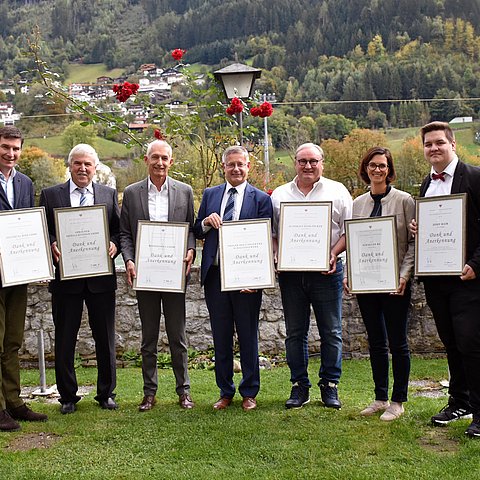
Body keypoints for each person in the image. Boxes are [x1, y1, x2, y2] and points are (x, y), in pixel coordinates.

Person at [411, 121, 480, 438]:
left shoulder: (476, 177)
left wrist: (476, 264)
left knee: (471, 344)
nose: (433, 148)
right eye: (428, 144)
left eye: (439, 142)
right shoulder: (427, 184)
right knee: (451, 343)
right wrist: (419, 229)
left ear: (453, 144)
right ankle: (459, 402)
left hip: (467, 279)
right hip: (436, 279)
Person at [39, 144, 120, 414]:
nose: (83, 168)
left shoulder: (108, 195)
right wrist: (51, 243)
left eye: (88, 164)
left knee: (105, 338)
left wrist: (114, 245)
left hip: (101, 280)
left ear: (95, 167)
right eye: (78, 164)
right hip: (66, 280)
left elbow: (119, 231)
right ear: (70, 166)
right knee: (65, 338)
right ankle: (67, 397)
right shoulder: (51, 195)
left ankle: (106, 393)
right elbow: (44, 230)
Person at [271, 143, 352, 409]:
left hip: (326, 271)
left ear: (322, 163)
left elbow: (347, 231)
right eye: (303, 161)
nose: (308, 166)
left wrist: (332, 253)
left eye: (313, 161)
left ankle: (330, 385)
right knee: (295, 332)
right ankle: (299, 386)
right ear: (294, 162)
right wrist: (276, 255)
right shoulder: (280, 194)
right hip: (292, 274)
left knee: (332, 331)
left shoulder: (338, 191)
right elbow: (273, 234)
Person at [193, 145, 272, 411]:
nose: (236, 169)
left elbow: (265, 242)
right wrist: (205, 222)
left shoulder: (261, 199)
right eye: (231, 165)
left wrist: (257, 278)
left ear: (249, 167)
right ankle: (225, 391)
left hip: (247, 279)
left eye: (241, 164)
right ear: (223, 167)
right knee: (221, 336)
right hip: (215, 276)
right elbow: (197, 229)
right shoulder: (210, 195)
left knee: (248, 335)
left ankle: (249, 391)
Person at [120, 139, 196, 411]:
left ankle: (183, 391)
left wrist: (190, 250)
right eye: (155, 157)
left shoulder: (184, 191)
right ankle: (149, 392)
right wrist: (128, 259)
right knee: (148, 338)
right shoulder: (131, 193)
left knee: (178, 337)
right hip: (146, 274)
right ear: (146, 160)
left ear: (171, 162)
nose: (160, 163)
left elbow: (190, 229)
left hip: (175, 274)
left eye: (165, 158)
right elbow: (125, 233)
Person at [343, 147, 415, 421]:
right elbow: (353, 243)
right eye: (372, 165)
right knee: (375, 342)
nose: (377, 170)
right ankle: (380, 397)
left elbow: (411, 244)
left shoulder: (404, 200)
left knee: (398, 342)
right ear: (365, 168)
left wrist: (404, 276)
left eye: (382, 166)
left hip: (395, 283)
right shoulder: (358, 203)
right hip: (366, 283)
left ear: (389, 169)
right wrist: (350, 273)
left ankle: (398, 401)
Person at [0, 126, 48, 431]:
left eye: (16, 148)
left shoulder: (25, 182)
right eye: (5, 147)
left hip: (17, 274)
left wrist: (37, 260)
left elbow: (27, 226)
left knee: (13, 340)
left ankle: (14, 402)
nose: (10, 153)